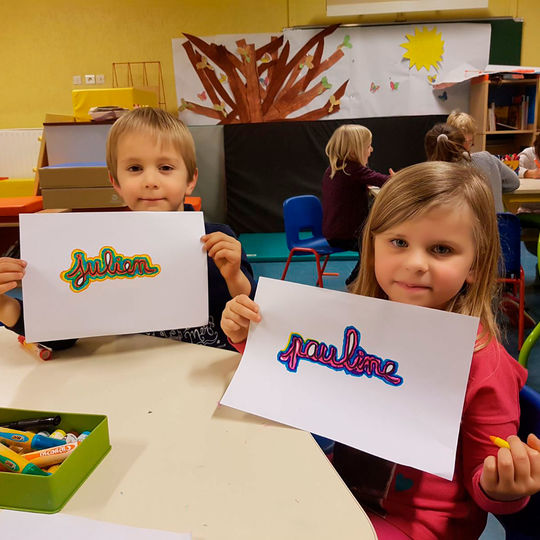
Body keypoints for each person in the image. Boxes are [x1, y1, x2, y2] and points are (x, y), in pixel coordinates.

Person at [220, 161, 540, 539]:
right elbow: (299, 375)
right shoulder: (361, 322)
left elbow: (486, 479)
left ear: (474, 264)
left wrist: (502, 487)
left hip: (418, 525)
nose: (415, 263)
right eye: (399, 242)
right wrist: (247, 335)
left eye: (441, 249)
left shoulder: (482, 362)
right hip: (342, 490)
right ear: (372, 246)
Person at [0, 107, 255, 351]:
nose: (150, 181)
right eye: (135, 168)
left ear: (190, 180)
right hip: (132, 377)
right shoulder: (100, 249)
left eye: (165, 168)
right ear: (116, 183)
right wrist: (4, 305)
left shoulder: (218, 241)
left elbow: (251, 322)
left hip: (205, 373)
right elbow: (62, 335)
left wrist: (234, 277)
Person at [322, 124, 392, 284]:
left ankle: (360, 280)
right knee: (374, 245)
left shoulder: (335, 169)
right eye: (368, 146)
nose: (371, 150)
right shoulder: (353, 170)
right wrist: (398, 178)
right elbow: (386, 181)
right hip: (346, 235)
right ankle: (354, 281)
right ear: (356, 149)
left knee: (374, 241)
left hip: (335, 232)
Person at [426, 121, 519, 213]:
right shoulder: (487, 159)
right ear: (463, 143)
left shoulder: (432, 177)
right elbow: (514, 182)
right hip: (498, 225)